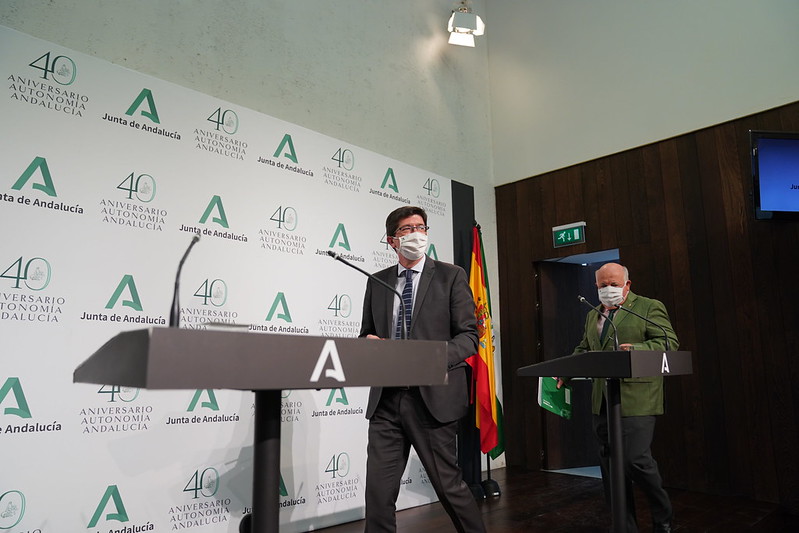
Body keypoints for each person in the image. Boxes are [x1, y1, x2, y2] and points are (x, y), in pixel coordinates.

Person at [359, 205, 486, 533]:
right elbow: (366, 334)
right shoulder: (377, 282)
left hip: (432, 399)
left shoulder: (451, 276)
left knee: (449, 487)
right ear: (392, 240)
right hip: (387, 401)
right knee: (378, 494)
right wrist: (369, 344)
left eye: (421, 227)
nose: (416, 233)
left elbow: (469, 337)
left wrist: (431, 358)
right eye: (407, 229)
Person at [568, 262, 677, 533]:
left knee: (635, 460)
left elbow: (668, 343)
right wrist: (566, 371)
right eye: (603, 285)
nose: (608, 289)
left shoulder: (648, 307)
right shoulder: (593, 313)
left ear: (627, 284)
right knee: (610, 467)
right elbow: (584, 348)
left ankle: (663, 516)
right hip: (602, 401)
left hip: (637, 398)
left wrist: (636, 349)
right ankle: (625, 527)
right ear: (596, 286)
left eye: (614, 284)